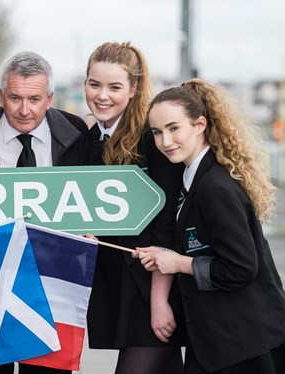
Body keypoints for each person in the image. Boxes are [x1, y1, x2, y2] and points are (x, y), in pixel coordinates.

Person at [135, 79, 285, 373]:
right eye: (157, 132)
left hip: (250, 346)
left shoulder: (214, 187)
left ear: (200, 124)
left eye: (174, 128)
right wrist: (164, 254)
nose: (165, 141)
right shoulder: (193, 180)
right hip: (223, 343)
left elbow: (240, 267)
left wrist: (178, 262)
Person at [0, 51, 88, 373]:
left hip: (51, 284)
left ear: (50, 98)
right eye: (14, 98)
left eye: (35, 99)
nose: (24, 110)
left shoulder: (77, 134)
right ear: (1, 96)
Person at [82, 41, 184, 374]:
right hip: (116, 286)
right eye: (94, 84)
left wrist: (158, 302)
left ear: (134, 89)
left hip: (150, 289)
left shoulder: (151, 139)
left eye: (114, 87)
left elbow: (166, 224)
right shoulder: (89, 140)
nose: (102, 95)